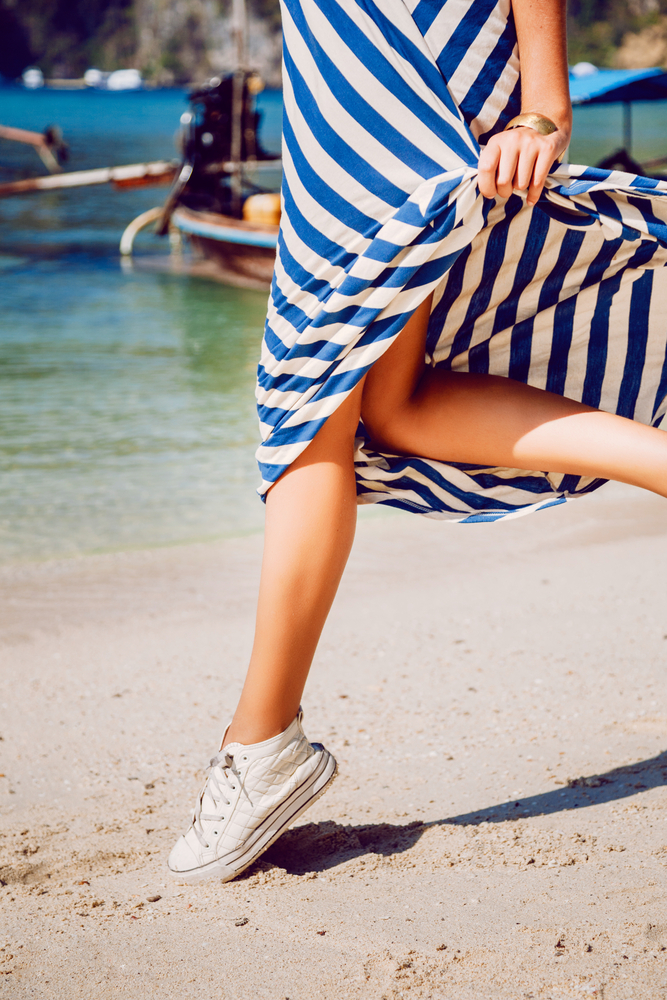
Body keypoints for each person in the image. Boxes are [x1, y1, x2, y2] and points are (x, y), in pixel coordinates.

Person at [168, 0, 667, 883]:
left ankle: (262, 743)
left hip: (388, 74)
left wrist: (545, 103)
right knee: (393, 406)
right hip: (365, 78)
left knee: (311, 398)